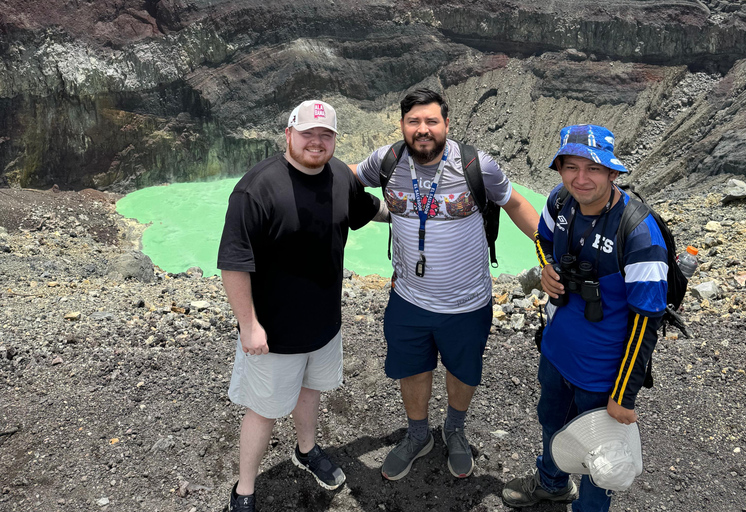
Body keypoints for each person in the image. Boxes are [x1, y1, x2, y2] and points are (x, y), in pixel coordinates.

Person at [351, 88, 539, 480]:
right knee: (413, 369)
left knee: (462, 371)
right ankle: (418, 435)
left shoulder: (476, 165)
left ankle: (454, 429)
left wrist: (550, 250)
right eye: (414, 122)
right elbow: (346, 180)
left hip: (467, 301)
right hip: (408, 298)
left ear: (446, 125)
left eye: (431, 121)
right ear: (402, 125)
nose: (423, 130)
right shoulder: (385, 161)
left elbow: (516, 204)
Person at [218, 100, 386, 512]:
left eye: (325, 134)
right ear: (288, 134)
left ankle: (306, 451)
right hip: (273, 333)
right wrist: (248, 325)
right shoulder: (256, 188)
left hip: (325, 324)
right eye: (308, 133)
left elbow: (372, 209)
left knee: (311, 392)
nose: (316, 141)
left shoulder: (341, 178)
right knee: (263, 411)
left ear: (333, 140)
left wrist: (418, 214)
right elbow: (233, 262)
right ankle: (243, 490)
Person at [502, 124, 668, 511]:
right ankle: (552, 483)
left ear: (613, 174)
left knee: (603, 459)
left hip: (603, 371)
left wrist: (624, 394)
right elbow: (542, 240)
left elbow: (647, 320)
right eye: (571, 167)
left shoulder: (639, 233)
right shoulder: (560, 202)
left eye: (593, 168)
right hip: (557, 350)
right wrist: (546, 269)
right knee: (551, 421)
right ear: (560, 170)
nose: (581, 178)